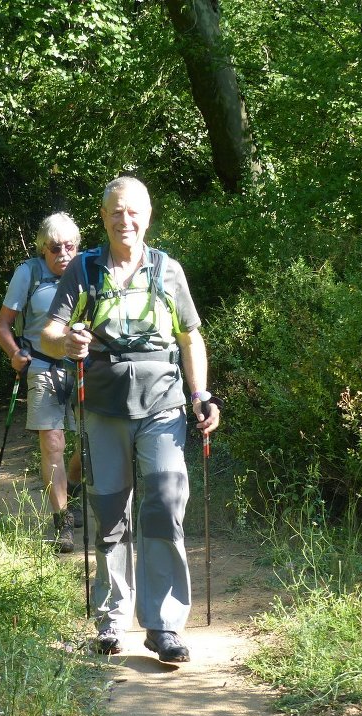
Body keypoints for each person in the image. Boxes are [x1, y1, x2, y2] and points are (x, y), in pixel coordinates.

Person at [41, 177, 220, 662]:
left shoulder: (168, 270)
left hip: (163, 404)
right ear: (103, 217)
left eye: (134, 212)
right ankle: (113, 619)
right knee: (110, 512)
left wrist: (201, 395)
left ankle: (164, 626)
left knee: (163, 503)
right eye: (116, 212)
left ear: (148, 215)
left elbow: (190, 338)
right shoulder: (83, 268)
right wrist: (67, 343)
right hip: (102, 406)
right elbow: (49, 332)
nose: (126, 221)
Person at [0, 212, 84, 553]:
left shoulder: (89, 270)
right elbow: (2, 324)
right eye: (54, 247)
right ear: (43, 248)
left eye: (69, 246)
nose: (62, 253)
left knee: (89, 443)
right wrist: (15, 353)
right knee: (53, 442)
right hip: (43, 366)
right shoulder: (28, 273)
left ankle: (72, 489)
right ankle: (62, 521)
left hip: (86, 369)